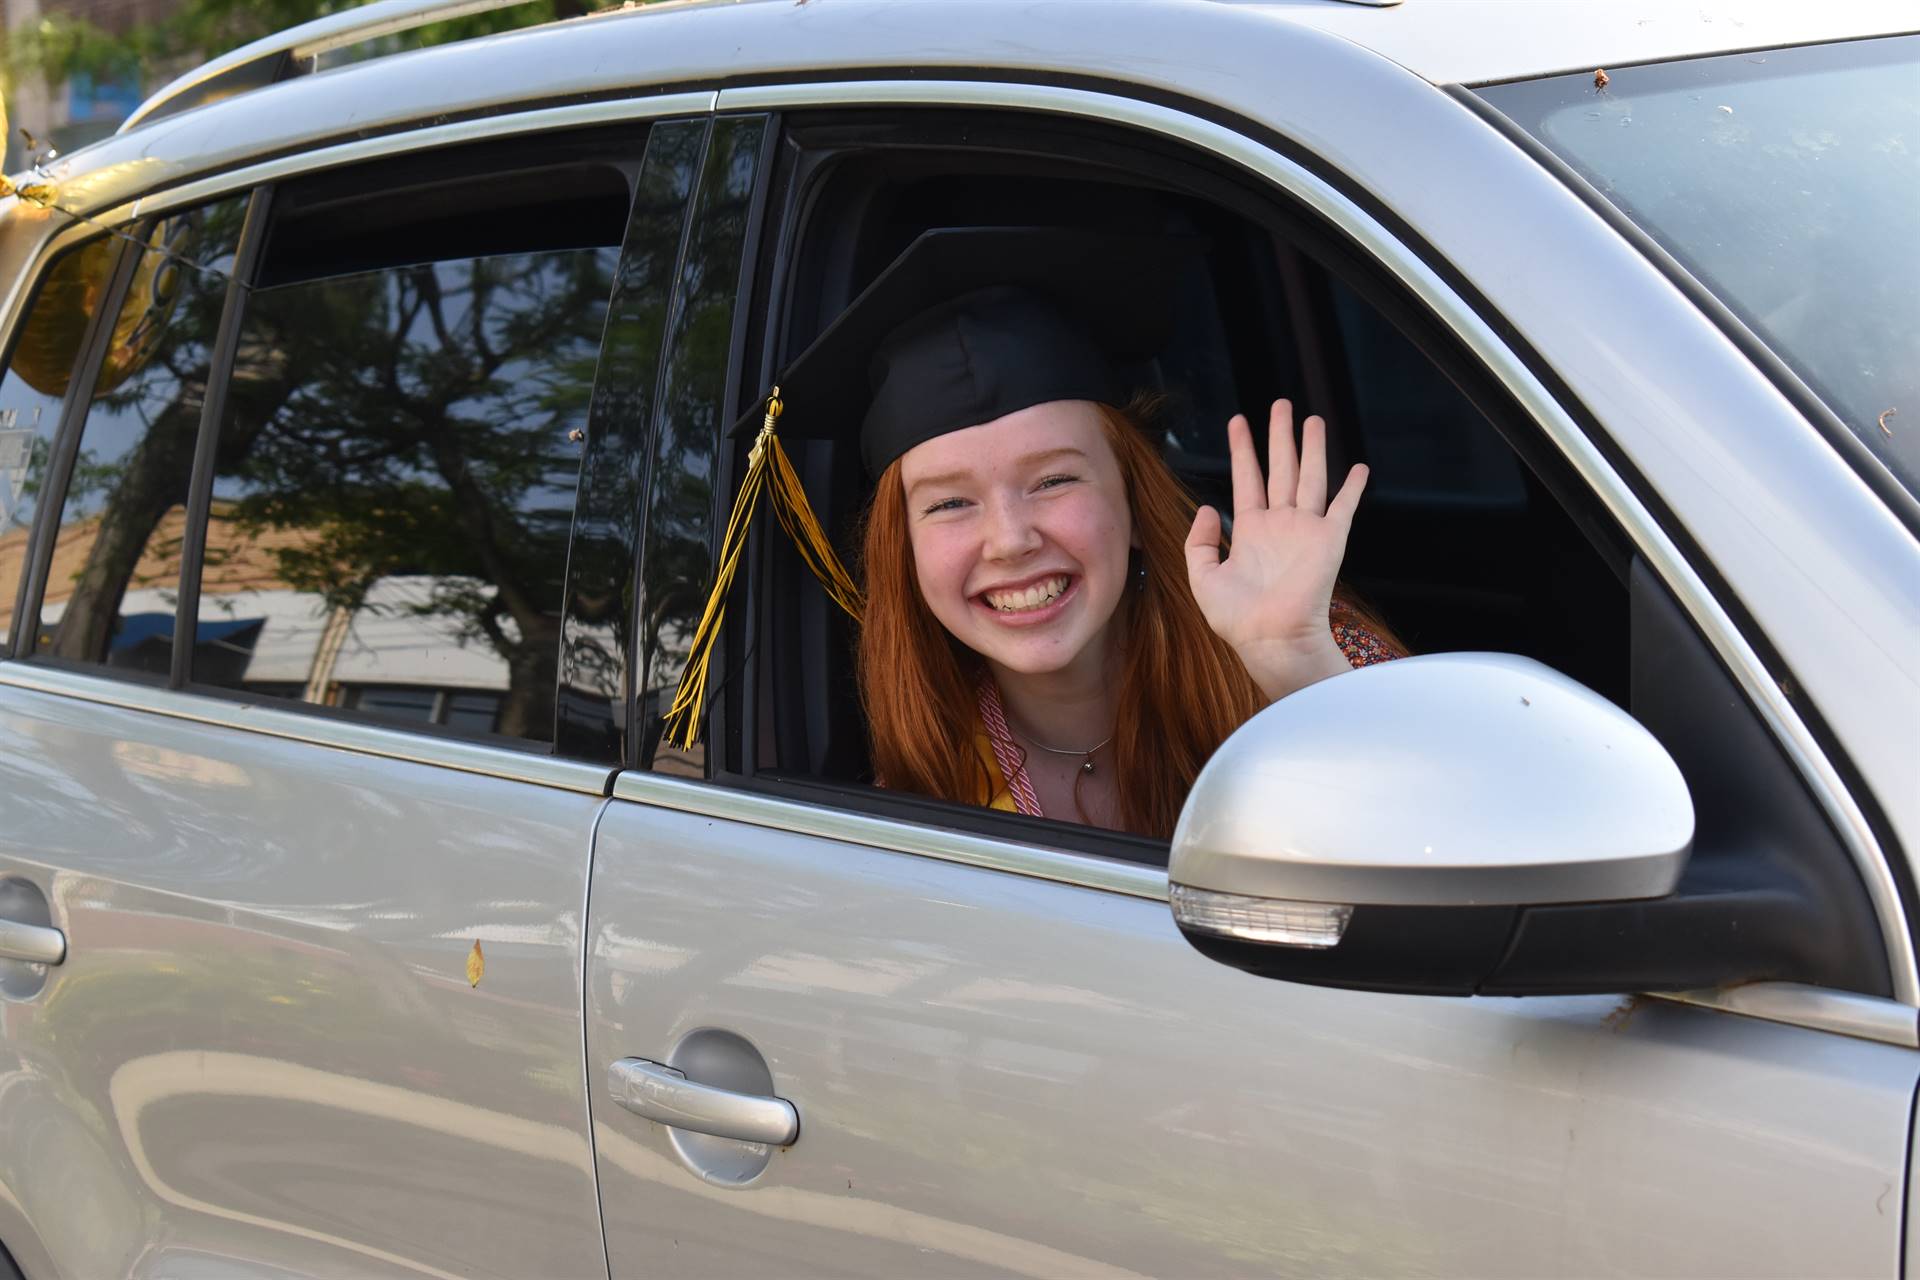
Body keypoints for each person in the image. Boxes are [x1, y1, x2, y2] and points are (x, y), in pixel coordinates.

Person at [670, 227, 1401, 838]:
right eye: (950, 504)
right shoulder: (919, 791)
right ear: (906, 557)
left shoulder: (1310, 652)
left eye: (1054, 481)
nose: (1010, 539)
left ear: (1136, 506)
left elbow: (1462, 839)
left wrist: (1298, 670)